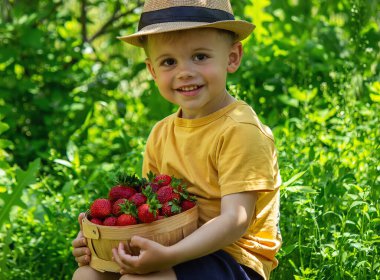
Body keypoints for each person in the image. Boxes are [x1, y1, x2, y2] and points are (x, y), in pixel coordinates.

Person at [72, 1, 282, 279]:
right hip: (172, 242)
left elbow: (235, 221)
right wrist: (103, 238)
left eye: (200, 57)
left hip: (233, 258)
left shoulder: (240, 130)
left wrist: (169, 256)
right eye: (169, 62)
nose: (184, 71)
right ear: (152, 71)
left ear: (232, 57)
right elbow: (151, 207)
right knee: (87, 275)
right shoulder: (161, 132)